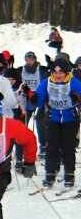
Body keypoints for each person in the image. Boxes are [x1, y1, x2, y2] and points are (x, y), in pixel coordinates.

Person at [27, 56, 81, 190]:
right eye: (55, 73)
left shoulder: (73, 82)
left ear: (66, 73)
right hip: (53, 118)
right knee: (51, 146)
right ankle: (50, 172)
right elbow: (38, 99)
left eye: (61, 73)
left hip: (70, 119)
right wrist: (33, 100)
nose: (58, 76)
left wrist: (77, 98)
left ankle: (69, 174)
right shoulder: (47, 82)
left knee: (68, 146)